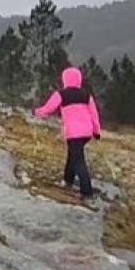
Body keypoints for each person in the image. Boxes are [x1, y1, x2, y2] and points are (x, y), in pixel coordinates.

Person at [34, 66, 103, 200]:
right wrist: (96, 131)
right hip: (86, 132)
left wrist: (37, 112)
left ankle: (87, 192)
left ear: (65, 79)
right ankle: (68, 180)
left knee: (79, 161)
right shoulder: (86, 95)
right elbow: (94, 115)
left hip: (73, 133)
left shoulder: (61, 94)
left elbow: (48, 109)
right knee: (73, 156)